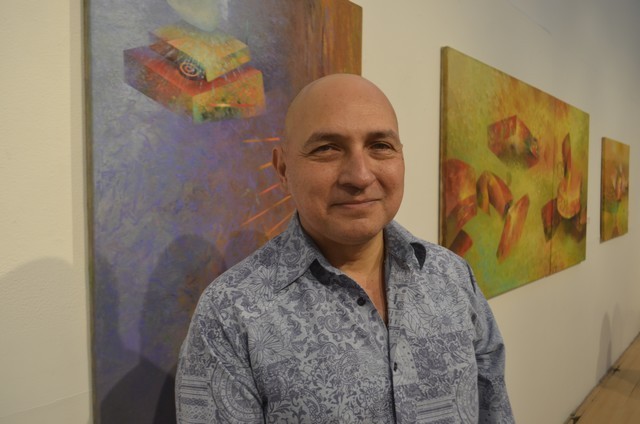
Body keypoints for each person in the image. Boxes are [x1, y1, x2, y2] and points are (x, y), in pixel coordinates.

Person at [176, 74, 514, 423]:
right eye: (327, 149)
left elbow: (494, 410)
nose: (360, 176)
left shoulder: (452, 276)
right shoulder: (229, 314)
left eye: (380, 145)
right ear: (283, 169)